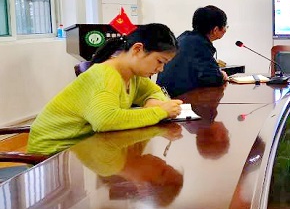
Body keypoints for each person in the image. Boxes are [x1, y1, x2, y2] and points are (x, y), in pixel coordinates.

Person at [28, 24, 182, 155]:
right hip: (53, 152)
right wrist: (160, 111)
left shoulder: (134, 75)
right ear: (137, 49)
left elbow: (154, 92)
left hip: (84, 146)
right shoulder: (105, 75)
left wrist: (153, 102)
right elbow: (105, 120)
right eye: (159, 61)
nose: (161, 69)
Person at [157, 5, 229, 97]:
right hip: (177, 99)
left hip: (164, 95)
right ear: (215, 30)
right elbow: (211, 78)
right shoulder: (199, 44)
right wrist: (221, 75)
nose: (225, 30)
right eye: (225, 26)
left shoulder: (185, 38)